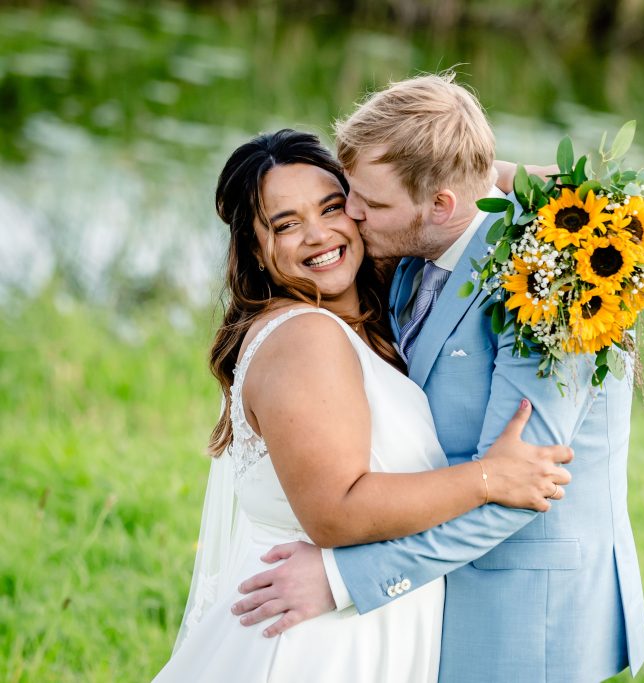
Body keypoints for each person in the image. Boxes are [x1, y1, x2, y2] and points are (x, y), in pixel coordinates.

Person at [231, 74, 644, 682]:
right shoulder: (408, 246)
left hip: (525, 608)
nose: (348, 217)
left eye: (367, 204)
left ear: (442, 206)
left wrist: (345, 578)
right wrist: (459, 165)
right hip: (432, 596)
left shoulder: (557, 279)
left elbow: (522, 488)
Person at [153, 129, 573, 682]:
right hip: (317, 642)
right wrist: (490, 477)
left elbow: (571, 194)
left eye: (332, 206)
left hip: (359, 621)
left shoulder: (376, 301)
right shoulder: (307, 337)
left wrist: (440, 168)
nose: (318, 233)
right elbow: (336, 511)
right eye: (285, 224)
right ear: (256, 250)